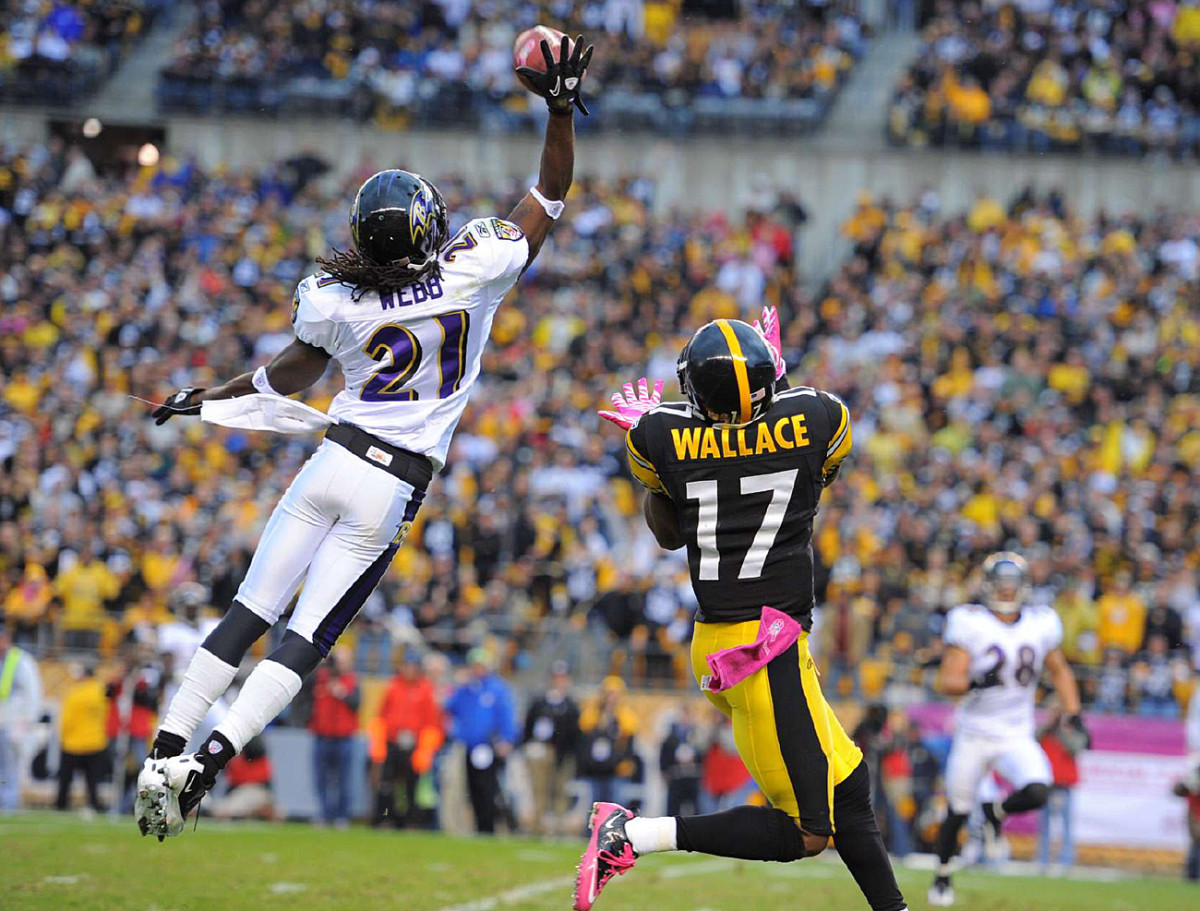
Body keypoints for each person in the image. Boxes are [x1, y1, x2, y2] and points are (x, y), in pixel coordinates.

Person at [132, 34, 596, 840]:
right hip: (392, 486)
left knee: (247, 611)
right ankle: (205, 762)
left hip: (330, 461)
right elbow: (549, 194)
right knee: (304, 637)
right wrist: (557, 107)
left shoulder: (335, 300)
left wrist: (203, 398)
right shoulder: (471, 270)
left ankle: (162, 749)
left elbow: (278, 380)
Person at [574, 311, 907, 911]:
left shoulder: (658, 435)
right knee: (808, 830)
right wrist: (768, 379)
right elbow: (812, 470)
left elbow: (670, 533)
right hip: (764, 651)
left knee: (850, 787)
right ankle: (634, 834)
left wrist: (662, 472)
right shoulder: (819, 415)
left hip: (731, 639)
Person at [928, 552, 1085, 906]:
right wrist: (974, 683)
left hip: (1016, 732)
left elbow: (1059, 669)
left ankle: (994, 812)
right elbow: (948, 680)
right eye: (1000, 584)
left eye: (1011, 585)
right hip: (974, 733)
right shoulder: (969, 621)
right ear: (987, 586)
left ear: (1024, 587)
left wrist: (1074, 713)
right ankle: (942, 875)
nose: (1006, 590)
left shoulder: (1041, 623)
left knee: (1038, 790)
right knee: (957, 810)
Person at [445, 648, 518, 834]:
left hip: (489, 746)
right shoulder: (466, 689)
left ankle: (490, 827)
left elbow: (506, 716)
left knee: (490, 789)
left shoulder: (496, 688)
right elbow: (449, 706)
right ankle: (479, 827)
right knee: (472, 789)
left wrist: (508, 739)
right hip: (469, 747)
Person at [373, 651, 443, 828]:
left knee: (412, 785)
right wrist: (378, 744)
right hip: (393, 741)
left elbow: (431, 722)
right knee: (387, 783)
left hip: (414, 743)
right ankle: (386, 818)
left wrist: (425, 750)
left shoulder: (425, 689)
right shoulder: (393, 687)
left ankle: (412, 821)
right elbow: (381, 717)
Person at [522, 659, 580, 836]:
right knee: (539, 791)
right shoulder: (540, 702)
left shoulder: (570, 705)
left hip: (562, 754)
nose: (559, 681)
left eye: (562, 677)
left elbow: (574, 733)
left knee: (560, 792)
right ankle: (538, 828)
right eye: (556, 677)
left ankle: (559, 829)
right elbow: (528, 726)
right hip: (540, 751)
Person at [309, 649, 360, 827]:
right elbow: (305, 693)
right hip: (322, 735)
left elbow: (357, 704)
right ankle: (323, 813)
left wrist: (343, 693)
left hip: (343, 737)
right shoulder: (320, 678)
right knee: (321, 778)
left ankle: (341, 815)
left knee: (343, 779)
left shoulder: (352, 681)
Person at [1036, 707, 1088, 868]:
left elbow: (1075, 748)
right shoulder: (1046, 731)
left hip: (1064, 784)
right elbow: (1033, 740)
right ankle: (1043, 859)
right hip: (1047, 783)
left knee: (1066, 824)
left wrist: (1063, 730)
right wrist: (1050, 725)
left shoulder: (1075, 731)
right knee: (1045, 825)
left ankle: (1066, 860)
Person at [0, 620, 42, 811]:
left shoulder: (20, 660)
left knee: (10, 764)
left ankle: (9, 802)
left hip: (12, 722)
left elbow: (33, 692)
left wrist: (29, 721)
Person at [56, 663, 108, 813]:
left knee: (65, 780)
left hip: (73, 743)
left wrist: (63, 735)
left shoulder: (75, 693)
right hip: (95, 742)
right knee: (92, 781)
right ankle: (94, 805)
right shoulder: (102, 691)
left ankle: (61, 806)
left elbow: (67, 720)